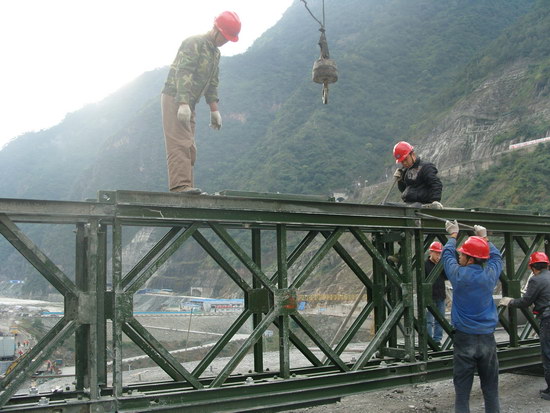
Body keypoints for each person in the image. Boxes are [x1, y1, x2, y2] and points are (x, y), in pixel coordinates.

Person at [161, 11, 241, 194]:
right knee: (180, 142)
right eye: (225, 36)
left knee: (189, 145)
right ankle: (180, 187)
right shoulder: (194, 42)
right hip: (175, 96)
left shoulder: (215, 53)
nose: (225, 41)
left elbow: (212, 82)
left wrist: (214, 110)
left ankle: (186, 187)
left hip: (190, 102)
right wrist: (182, 102)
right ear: (215, 29)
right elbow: (184, 71)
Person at [443, 220, 502, 413]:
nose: (459, 255)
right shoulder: (490, 275)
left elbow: (446, 257)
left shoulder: (459, 276)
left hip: (464, 338)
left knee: (462, 391)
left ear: (469, 259)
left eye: (462, 254)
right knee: (490, 388)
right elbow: (496, 258)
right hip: (487, 338)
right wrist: (485, 239)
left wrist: (452, 236)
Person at [500, 251, 550, 401]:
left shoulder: (536, 280)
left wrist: (510, 302)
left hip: (548, 320)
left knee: (547, 354)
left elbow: (526, 302)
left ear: (532, 266)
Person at [392, 141, 443, 208]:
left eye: (406, 159)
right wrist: (400, 180)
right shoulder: (406, 170)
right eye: (402, 161)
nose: (404, 163)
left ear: (412, 154)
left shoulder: (426, 167)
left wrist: (435, 201)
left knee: (412, 207)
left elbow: (436, 184)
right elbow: (404, 190)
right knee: (385, 205)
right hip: (409, 204)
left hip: (422, 205)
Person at [425, 241, 447, 346]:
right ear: (431, 252)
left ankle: (437, 340)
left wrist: (441, 265)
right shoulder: (425, 265)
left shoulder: (441, 265)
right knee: (428, 320)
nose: (438, 255)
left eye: (439, 253)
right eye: (436, 253)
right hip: (429, 297)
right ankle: (429, 341)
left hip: (441, 296)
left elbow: (447, 277)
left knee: (440, 319)